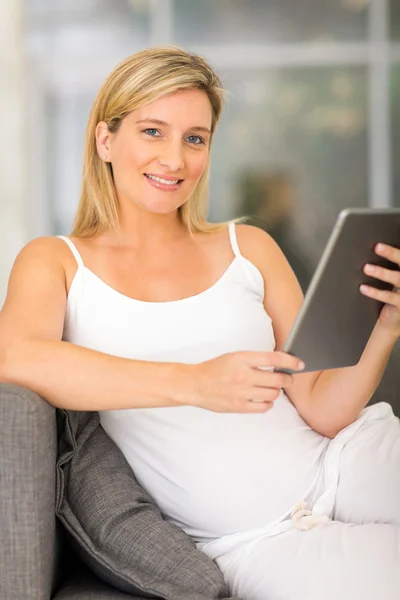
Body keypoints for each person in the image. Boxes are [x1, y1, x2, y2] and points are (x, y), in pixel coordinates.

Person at [0, 45, 399, 600]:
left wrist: (385, 329)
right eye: (153, 131)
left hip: (348, 457)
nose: (175, 159)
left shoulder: (249, 246)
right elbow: (16, 355)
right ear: (105, 140)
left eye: (195, 138)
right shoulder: (56, 261)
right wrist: (194, 381)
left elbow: (324, 408)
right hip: (256, 537)